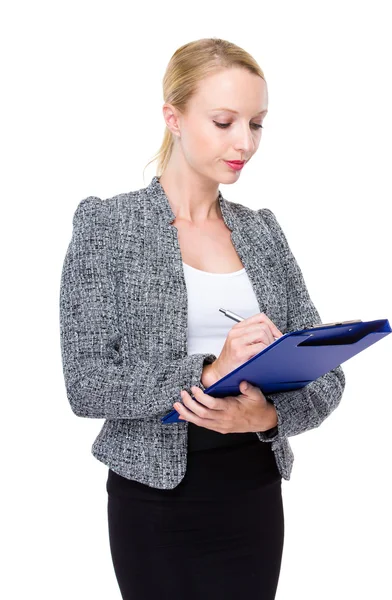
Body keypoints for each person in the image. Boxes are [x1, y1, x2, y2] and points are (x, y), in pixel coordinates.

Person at [59, 37, 346, 600]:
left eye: (257, 124)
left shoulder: (262, 231)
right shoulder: (108, 227)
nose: (245, 142)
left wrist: (265, 417)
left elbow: (327, 377)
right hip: (155, 498)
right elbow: (86, 384)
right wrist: (210, 373)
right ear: (174, 117)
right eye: (224, 121)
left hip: (252, 492)